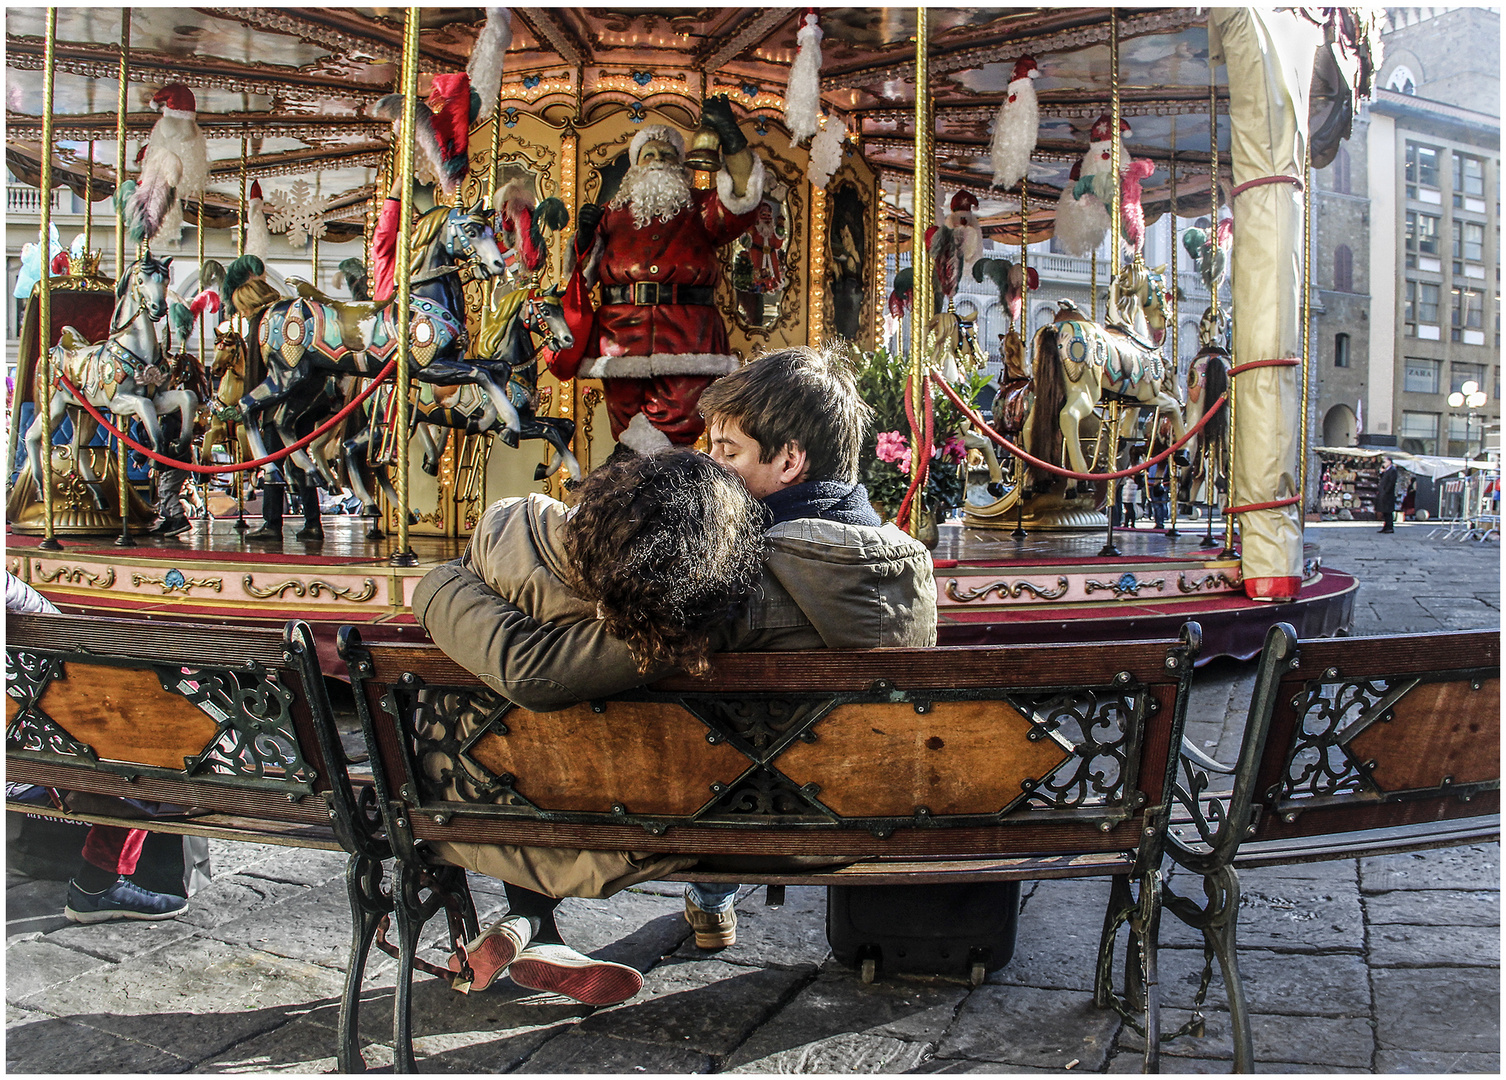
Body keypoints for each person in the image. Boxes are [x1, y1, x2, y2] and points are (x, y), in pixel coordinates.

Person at [412, 344, 936, 994]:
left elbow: (542, 669)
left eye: (728, 451)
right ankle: (536, 926)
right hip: (840, 816)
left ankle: (529, 920)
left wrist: (438, 585)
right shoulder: (896, 566)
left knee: (537, 715)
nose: (710, 465)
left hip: (710, 819)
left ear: (790, 461)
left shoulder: (732, 582)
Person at [558, 96, 767, 453]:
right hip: (620, 335)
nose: (657, 163)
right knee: (624, 425)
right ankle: (633, 488)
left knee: (678, 423)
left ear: (681, 165)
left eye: (668, 155)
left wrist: (730, 137)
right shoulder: (612, 214)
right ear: (634, 167)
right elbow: (581, 274)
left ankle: (653, 488)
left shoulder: (702, 209)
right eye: (649, 156)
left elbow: (743, 199)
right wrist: (582, 236)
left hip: (688, 335)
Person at [5, 572, 189, 925]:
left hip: (23, 755)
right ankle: (96, 884)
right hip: (31, 765)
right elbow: (63, 638)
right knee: (148, 756)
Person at [1376, 456, 1398, 533]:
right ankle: (1386, 526)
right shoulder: (1387, 470)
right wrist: (1381, 473)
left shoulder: (1393, 470)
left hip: (1388, 494)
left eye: (1385, 462)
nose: (1384, 464)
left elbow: (1391, 482)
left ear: (1389, 462)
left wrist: (1386, 491)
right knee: (1384, 511)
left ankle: (1390, 527)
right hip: (1384, 493)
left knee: (1388, 511)